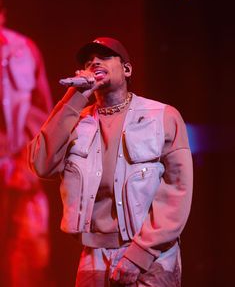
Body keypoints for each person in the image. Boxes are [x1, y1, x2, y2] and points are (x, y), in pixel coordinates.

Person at [28, 36, 193, 287]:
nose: (94, 62)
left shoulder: (162, 116)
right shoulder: (76, 120)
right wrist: (74, 98)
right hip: (94, 255)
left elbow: (177, 189)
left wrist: (139, 255)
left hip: (153, 254)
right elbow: (40, 163)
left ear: (126, 69)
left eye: (104, 57)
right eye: (88, 61)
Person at [0, 0, 53, 287]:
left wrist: (28, 164)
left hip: (19, 174)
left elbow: (41, 113)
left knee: (26, 262)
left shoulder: (24, 51)